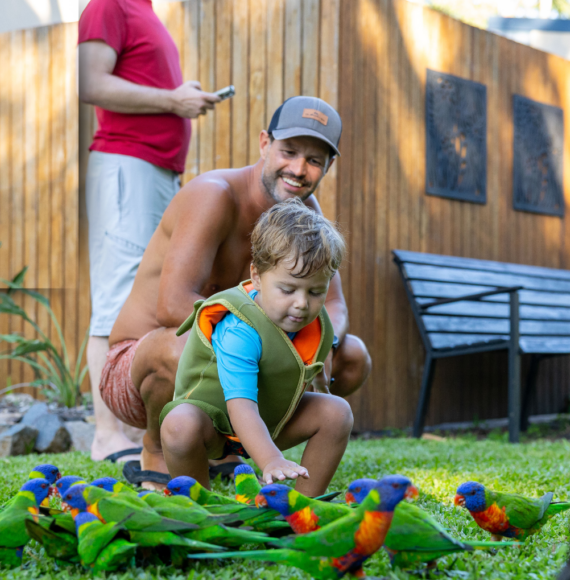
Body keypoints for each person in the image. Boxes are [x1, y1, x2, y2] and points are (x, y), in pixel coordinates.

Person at [100, 95, 372, 490]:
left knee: (351, 355)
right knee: (185, 345)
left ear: (329, 166)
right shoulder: (214, 194)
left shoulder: (307, 215)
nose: (298, 169)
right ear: (265, 143)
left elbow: (335, 305)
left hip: (241, 356)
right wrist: (264, 344)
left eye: (314, 160)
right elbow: (173, 307)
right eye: (289, 151)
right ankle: (157, 451)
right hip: (142, 363)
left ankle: (233, 447)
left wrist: (323, 349)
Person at [78, 0, 221, 462]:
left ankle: (150, 433)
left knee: (151, 297)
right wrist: (172, 100)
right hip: (128, 166)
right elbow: (90, 82)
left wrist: (181, 95)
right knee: (118, 295)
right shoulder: (108, 4)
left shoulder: (145, 11)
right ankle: (106, 436)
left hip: (156, 171)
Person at [160, 200, 352, 494]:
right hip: (215, 423)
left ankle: (299, 510)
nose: (302, 303)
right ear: (257, 277)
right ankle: (198, 506)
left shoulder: (313, 321)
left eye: (316, 291)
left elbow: (315, 375)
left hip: (271, 420)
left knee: (337, 412)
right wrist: (271, 460)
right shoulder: (240, 329)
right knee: (178, 425)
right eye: (287, 289)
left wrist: (321, 388)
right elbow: (242, 407)